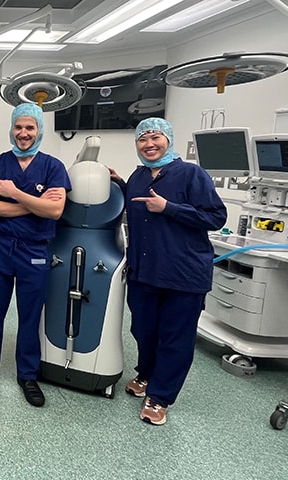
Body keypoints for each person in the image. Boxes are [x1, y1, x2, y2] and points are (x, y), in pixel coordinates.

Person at [109, 117, 226, 426]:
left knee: (175, 338)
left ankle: (160, 397)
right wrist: (119, 183)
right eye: (142, 139)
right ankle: (146, 375)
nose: (149, 144)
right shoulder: (137, 177)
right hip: (144, 272)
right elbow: (135, 203)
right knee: (143, 331)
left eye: (155, 137)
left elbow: (217, 217)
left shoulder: (190, 174)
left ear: (169, 139)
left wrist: (170, 208)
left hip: (183, 275)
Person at [0, 103, 70, 407]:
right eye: (18, 127)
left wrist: (15, 194)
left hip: (35, 250)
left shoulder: (53, 167)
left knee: (30, 315)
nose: (23, 134)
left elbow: (55, 210)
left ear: (39, 130)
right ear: (11, 129)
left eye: (30, 128)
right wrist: (34, 203)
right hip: (1, 246)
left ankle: (28, 375)